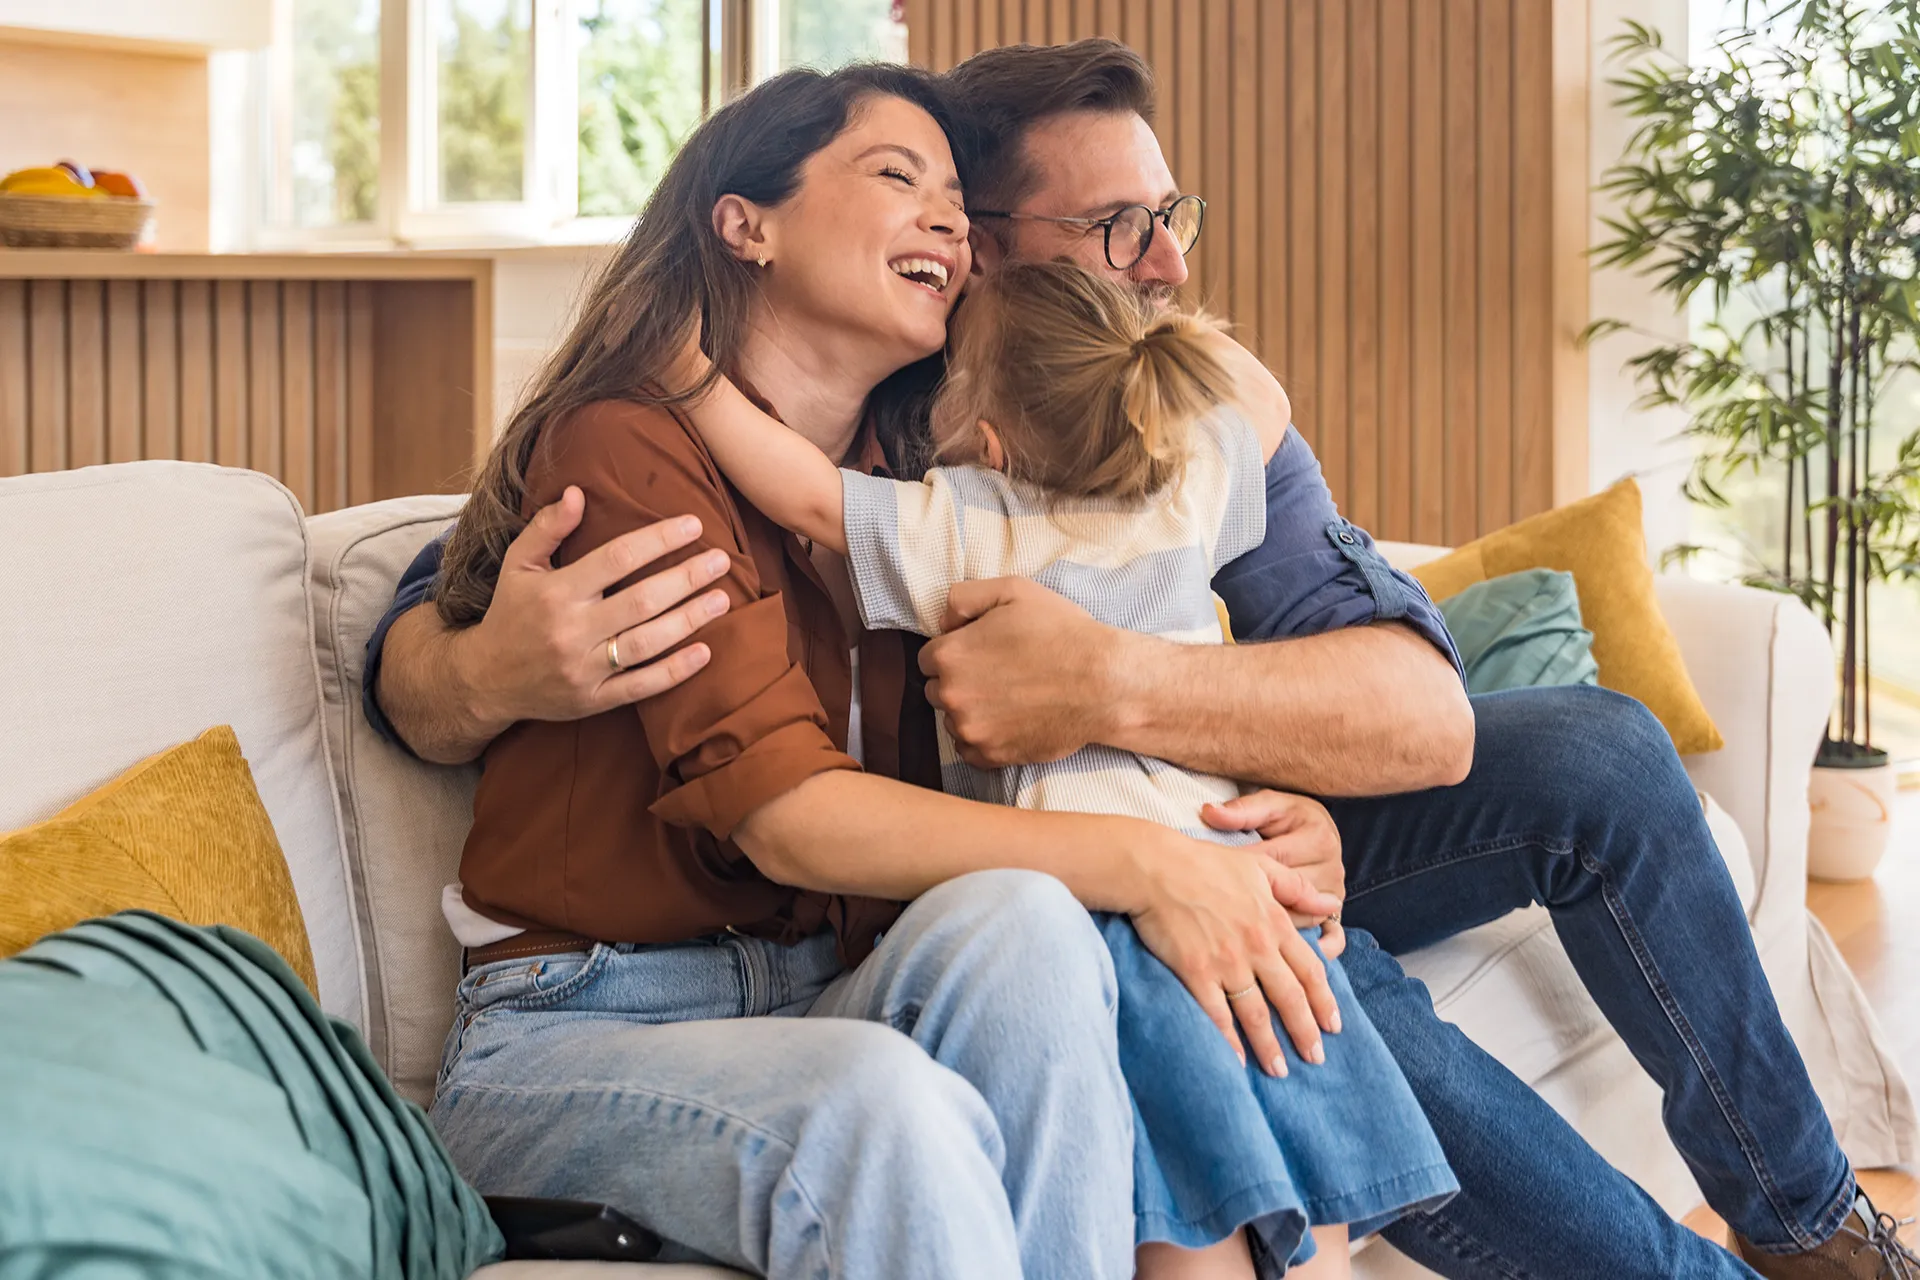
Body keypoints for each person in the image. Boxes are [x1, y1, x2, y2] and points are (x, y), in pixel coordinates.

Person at [367, 39, 1918, 1280]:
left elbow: (1418, 710)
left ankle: (1807, 1220)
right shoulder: (872, 419)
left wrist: (1158, 717)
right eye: (1119, 230)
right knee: (1273, 966)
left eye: (1172, 218)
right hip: (1011, 867)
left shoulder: (1171, 408)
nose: (1165, 265)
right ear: (981, 254)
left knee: (1593, 754)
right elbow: (455, 596)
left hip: (1151, 805)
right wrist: (477, 670)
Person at [409, 61, 1354, 1280]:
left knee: (1027, 918)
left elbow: (1132, 652)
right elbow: (788, 817)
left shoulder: (946, 473)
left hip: (830, 984)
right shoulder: (624, 439)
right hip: (583, 1024)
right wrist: (1153, 862)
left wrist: (1249, 827)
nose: (949, 218)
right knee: (880, 1100)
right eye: (896, 176)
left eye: (957, 197)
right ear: (744, 223)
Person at [674, 256, 1460, 1276]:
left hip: (1119, 921)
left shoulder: (972, 522)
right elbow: (1264, 399)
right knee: (1315, 1214)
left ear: (989, 438)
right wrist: (1151, 335)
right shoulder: (1195, 482)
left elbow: (807, 496)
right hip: (1249, 886)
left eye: (955, 379)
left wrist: (686, 372)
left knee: (1190, 1210)